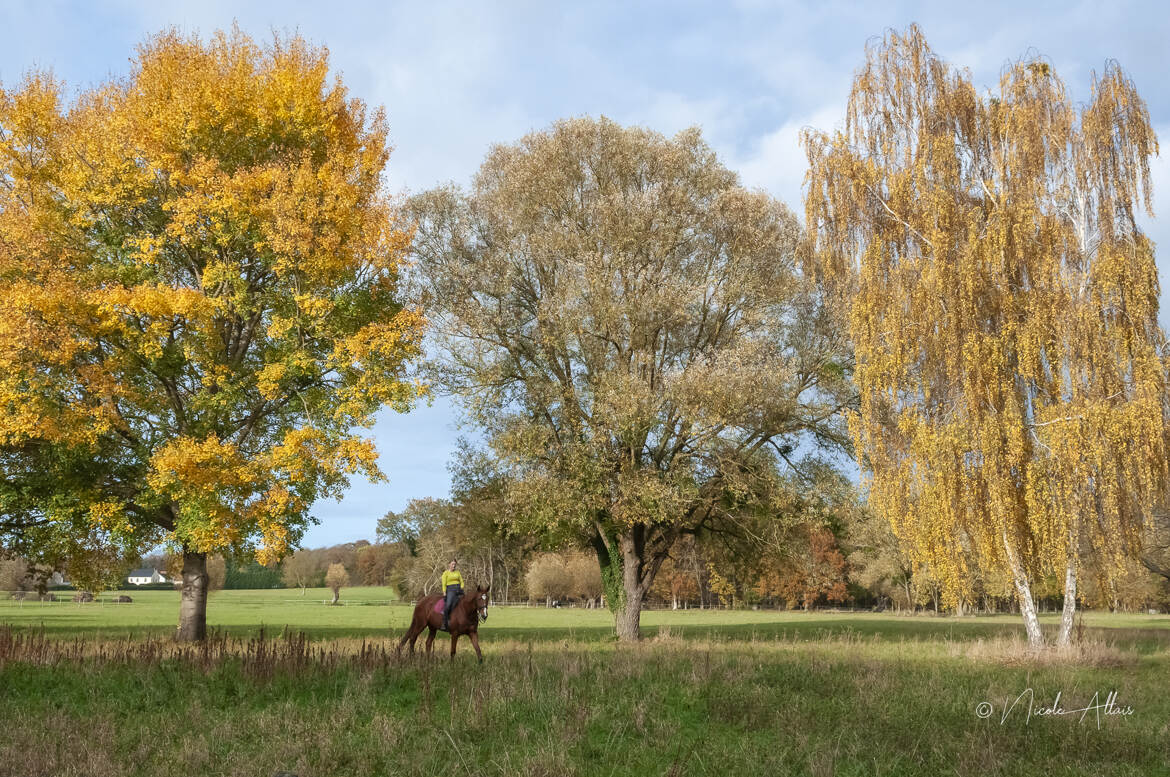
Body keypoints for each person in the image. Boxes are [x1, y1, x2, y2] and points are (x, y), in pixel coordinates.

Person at [440, 559, 464, 631]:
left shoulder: (458, 572)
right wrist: (444, 592)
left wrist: (461, 587)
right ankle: (444, 622)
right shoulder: (446, 573)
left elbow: (462, 581)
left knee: (466, 602)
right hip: (450, 589)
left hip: (458, 589)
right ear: (449, 565)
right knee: (448, 605)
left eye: (455, 564)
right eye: (452, 564)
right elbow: (444, 583)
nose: (454, 566)